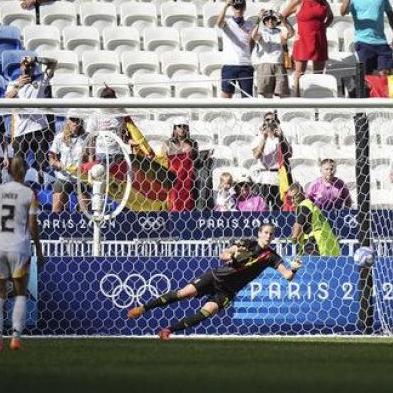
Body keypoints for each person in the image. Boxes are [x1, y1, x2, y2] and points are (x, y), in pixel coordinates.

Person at [126, 223, 301, 339]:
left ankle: (168, 331)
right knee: (185, 293)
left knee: (206, 312)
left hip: (228, 290)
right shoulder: (247, 243)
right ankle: (143, 308)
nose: (268, 236)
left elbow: (287, 276)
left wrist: (293, 267)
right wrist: (233, 255)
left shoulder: (271, 256)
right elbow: (223, 254)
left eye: (271, 234)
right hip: (216, 276)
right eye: (265, 232)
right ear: (259, 233)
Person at [0, 156, 44, 351]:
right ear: (25, 170)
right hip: (19, 246)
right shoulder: (29, 194)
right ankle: (15, 338)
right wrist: (39, 247)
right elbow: (33, 225)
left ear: (8, 170)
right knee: (20, 294)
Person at [6, 56, 57, 180]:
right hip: (21, 130)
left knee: (42, 166)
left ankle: (42, 191)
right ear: (21, 67)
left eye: (31, 65)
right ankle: (19, 188)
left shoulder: (41, 80)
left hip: (39, 128)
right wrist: (18, 86)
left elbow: (53, 62)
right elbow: (6, 99)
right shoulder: (13, 83)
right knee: (18, 166)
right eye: (26, 65)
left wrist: (35, 58)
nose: (28, 68)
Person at [340, 0, 393, 76]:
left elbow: (390, 14)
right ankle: (368, 93)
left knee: (386, 73)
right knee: (366, 76)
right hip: (363, 42)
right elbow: (342, 12)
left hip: (381, 42)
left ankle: (382, 93)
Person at [283, 0, 333, 96]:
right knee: (299, 73)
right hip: (303, 40)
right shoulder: (298, 1)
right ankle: (297, 98)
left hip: (319, 40)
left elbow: (330, 17)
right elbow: (282, 16)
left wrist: (324, 26)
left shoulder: (323, 2)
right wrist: (292, 30)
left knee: (319, 73)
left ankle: (317, 97)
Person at [251, 112, 292, 209]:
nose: (270, 122)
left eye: (273, 120)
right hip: (263, 178)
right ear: (263, 123)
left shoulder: (282, 137)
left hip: (278, 177)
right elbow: (256, 155)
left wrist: (281, 138)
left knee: (279, 208)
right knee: (261, 208)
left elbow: (289, 154)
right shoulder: (258, 138)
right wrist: (264, 138)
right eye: (267, 119)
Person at [48, 117, 89, 212]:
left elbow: (91, 157)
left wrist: (85, 164)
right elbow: (51, 158)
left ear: (81, 122)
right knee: (56, 210)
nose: (75, 122)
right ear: (67, 121)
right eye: (72, 120)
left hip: (80, 178)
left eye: (77, 120)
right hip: (63, 177)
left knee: (85, 210)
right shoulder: (59, 137)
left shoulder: (86, 137)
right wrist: (58, 164)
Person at [288, 183, 340, 256]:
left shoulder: (302, 206)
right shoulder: (310, 204)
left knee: (310, 266)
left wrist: (294, 238)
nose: (293, 200)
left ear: (303, 193)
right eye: (291, 198)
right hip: (325, 241)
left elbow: (298, 225)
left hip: (314, 242)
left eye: (295, 196)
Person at [251, 9, 294, 98]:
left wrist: (284, 20)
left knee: (279, 95)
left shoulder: (281, 32)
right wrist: (258, 19)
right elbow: (254, 36)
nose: (270, 21)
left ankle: (277, 112)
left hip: (279, 64)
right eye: (267, 19)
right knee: (263, 94)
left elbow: (291, 33)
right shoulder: (261, 32)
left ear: (276, 21)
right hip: (264, 65)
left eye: (273, 19)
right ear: (264, 21)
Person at [217, 0, 254, 98]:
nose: (239, 10)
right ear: (233, 8)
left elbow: (252, 42)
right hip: (230, 64)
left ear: (245, 8)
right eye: (236, 7)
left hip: (245, 64)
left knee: (247, 96)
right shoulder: (227, 22)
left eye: (241, 7)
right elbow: (218, 23)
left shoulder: (250, 24)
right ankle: (224, 114)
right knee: (227, 94)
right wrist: (225, 6)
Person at [161, 121, 197, 211]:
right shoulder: (167, 143)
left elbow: (197, 162)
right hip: (173, 179)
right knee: (174, 204)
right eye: (179, 126)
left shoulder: (193, 143)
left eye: (184, 126)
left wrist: (206, 155)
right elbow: (162, 162)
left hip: (188, 180)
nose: (182, 129)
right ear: (174, 128)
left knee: (188, 205)